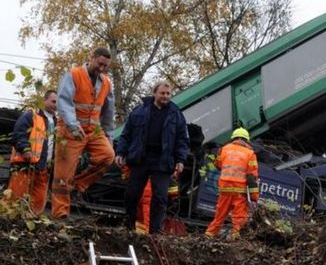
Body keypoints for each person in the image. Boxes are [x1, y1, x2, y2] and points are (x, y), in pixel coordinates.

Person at [115, 81, 189, 234]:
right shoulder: (139, 111)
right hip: (140, 159)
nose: (165, 96)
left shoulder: (176, 114)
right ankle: (129, 227)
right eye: (162, 93)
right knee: (132, 194)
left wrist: (181, 160)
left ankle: (155, 232)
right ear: (154, 93)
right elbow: (126, 134)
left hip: (163, 161)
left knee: (161, 197)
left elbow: (182, 139)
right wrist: (120, 152)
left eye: (168, 94)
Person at [52, 48, 116, 219]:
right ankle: (60, 215)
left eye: (105, 65)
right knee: (63, 176)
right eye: (99, 63)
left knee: (107, 156)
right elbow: (63, 101)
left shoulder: (107, 83)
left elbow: (109, 112)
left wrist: (109, 136)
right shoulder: (73, 74)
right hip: (69, 130)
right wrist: (72, 125)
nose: (101, 68)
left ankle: (79, 184)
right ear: (92, 58)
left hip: (93, 130)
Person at [4, 90, 58, 214]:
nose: (56, 105)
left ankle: (32, 224)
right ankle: (8, 224)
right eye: (53, 101)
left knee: (38, 203)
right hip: (24, 165)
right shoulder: (31, 115)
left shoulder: (57, 123)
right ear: (45, 101)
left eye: (58, 102)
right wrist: (26, 150)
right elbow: (18, 133)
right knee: (14, 199)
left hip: (43, 168)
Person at [205, 127, 259, 238]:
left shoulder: (224, 149)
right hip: (240, 191)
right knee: (239, 218)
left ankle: (207, 236)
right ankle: (235, 241)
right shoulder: (250, 153)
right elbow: (251, 177)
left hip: (224, 189)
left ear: (233, 138)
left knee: (219, 216)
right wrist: (254, 196)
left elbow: (218, 165)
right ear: (246, 140)